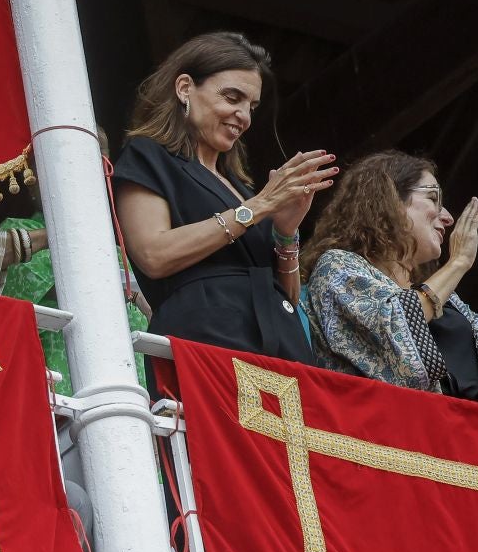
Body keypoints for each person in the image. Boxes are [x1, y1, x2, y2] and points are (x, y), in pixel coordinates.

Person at [112, 32, 336, 362]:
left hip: (283, 350)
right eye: (232, 98)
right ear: (185, 87)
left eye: (251, 106)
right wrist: (257, 207)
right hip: (204, 343)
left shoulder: (241, 187)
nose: (244, 116)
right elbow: (152, 254)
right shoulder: (148, 156)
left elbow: (286, 298)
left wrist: (285, 232)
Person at [303, 151, 478, 405]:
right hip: (392, 438)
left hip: (466, 439)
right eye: (433, 198)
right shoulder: (339, 268)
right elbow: (397, 334)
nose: (448, 217)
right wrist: (459, 262)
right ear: (390, 201)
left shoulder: (450, 301)